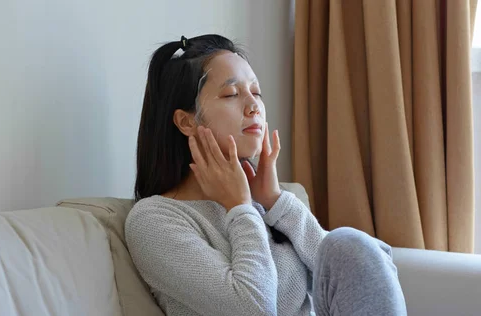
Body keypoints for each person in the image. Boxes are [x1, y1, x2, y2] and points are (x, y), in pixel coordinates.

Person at [125, 34, 407, 316]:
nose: (253, 106)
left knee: (349, 244)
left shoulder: (265, 206)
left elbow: (363, 268)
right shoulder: (154, 220)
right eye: (232, 94)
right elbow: (254, 309)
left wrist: (275, 201)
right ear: (186, 121)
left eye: (256, 92)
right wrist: (239, 208)